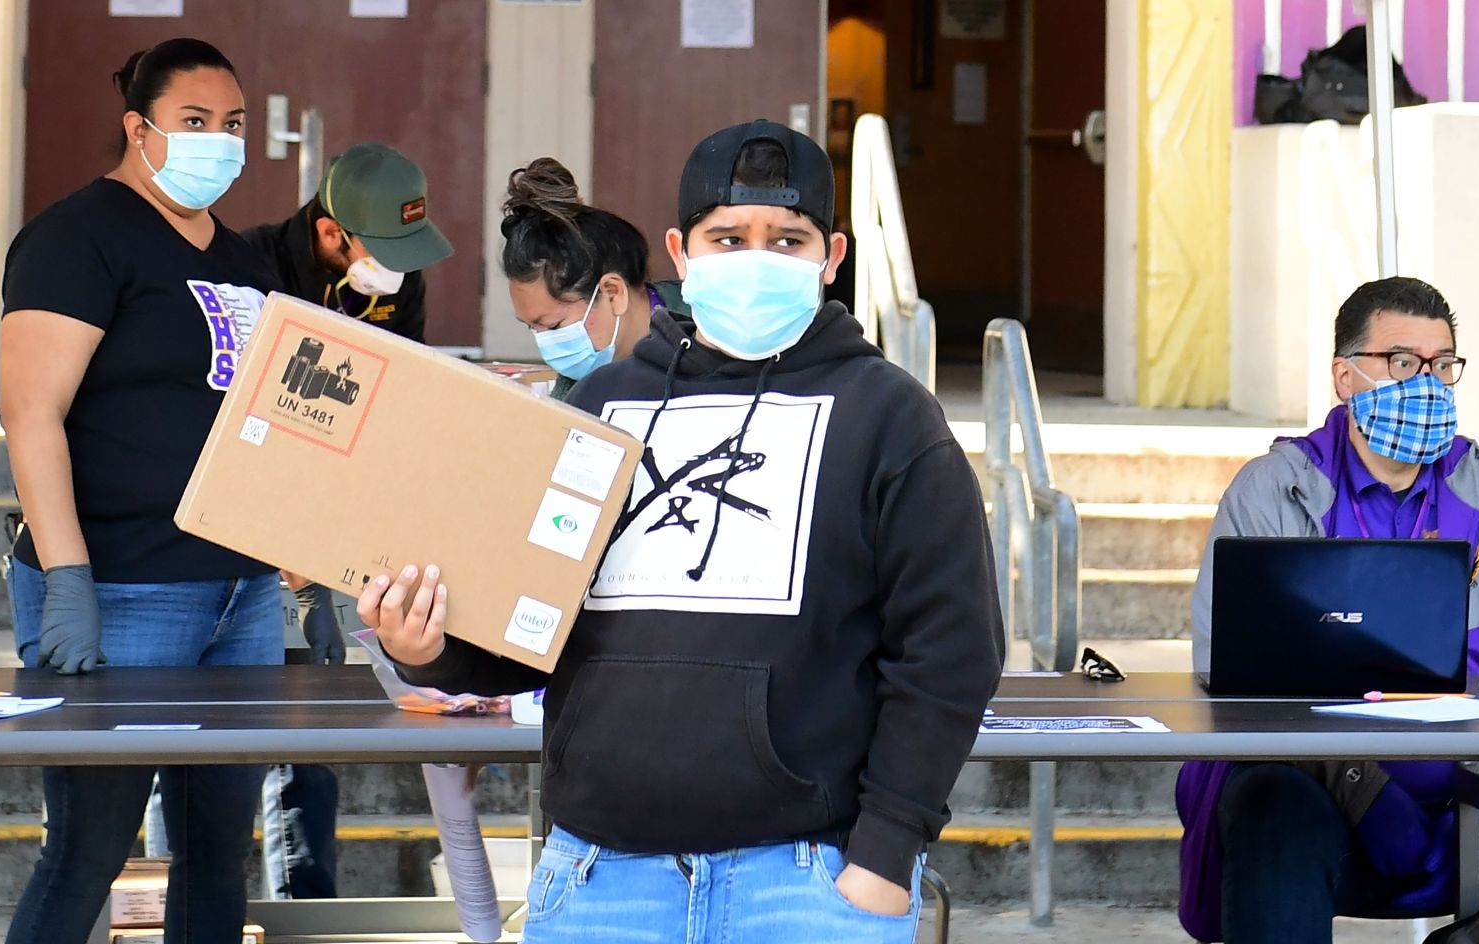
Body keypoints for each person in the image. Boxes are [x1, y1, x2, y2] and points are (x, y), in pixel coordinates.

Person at [362, 119, 1004, 941]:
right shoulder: (600, 409)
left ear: (833, 257)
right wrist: (430, 648)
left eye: (788, 239)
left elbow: (951, 651)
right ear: (682, 249)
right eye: (727, 237)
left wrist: (885, 854)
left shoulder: (892, 417)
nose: (756, 259)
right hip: (602, 881)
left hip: (808, 886)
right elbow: (529, 622)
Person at [1177, 277, 1479, 944]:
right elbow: (1230, 679)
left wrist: (1467, 772)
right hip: (1318, 804)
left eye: (1443, 366)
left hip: (1473, 799)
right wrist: (1359, 783)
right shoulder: (1274, 492)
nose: (1428, 383)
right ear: (1346, 377)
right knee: (1269, 811)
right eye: (1403, 363)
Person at [0, 37, 283, 944]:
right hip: (121, 589)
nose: (218, 142)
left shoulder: (245, 260)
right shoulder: (77, 236)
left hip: (242, 594)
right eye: (194, 122)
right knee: (91, 844)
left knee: (216, 847)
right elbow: (30, 413)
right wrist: (67, 579)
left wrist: (301, 565)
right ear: (139, 126)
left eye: (232, 125)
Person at [219, 141, 452, 898]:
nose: (398, 268)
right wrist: (281, 542)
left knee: (307, 730)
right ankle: (182, 911)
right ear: (330, 232)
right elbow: (238, 422)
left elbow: (399, 399)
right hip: (227, 539)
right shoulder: (246, 268)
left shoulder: (396, 282)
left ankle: (305, 909)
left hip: (324, 541)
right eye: (382, 250)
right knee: (197, 749)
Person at [247, 140, 453, 341]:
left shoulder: (403, 266)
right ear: (330, 233)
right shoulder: (251, 265)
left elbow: (411, 362)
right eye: (382, 248)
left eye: (402, 244)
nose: (395, 263)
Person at [497, 156, 665, 399]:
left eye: (554, 326)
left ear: (612, 293)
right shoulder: (573, 392)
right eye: (534, 329)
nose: (547, 347)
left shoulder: (706, 341)